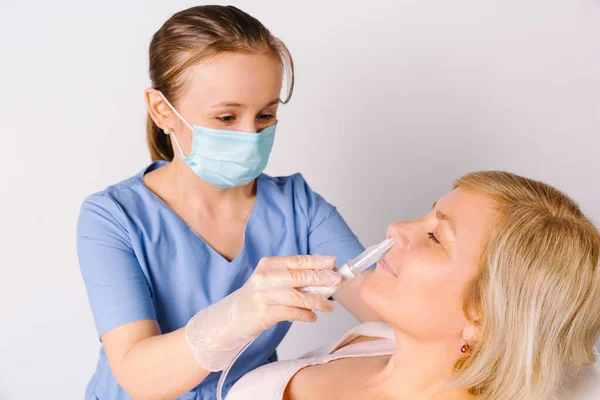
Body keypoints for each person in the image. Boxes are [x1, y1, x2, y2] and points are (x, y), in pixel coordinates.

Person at [76, 6, 378, 400]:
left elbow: (385, 307)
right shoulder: (113, 218)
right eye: (225, 117)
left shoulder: (299, 210)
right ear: (162, 110)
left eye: (265, 115)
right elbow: (139, 376)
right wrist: (240, 314)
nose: (250, 134)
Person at [227, 171, 600, 400]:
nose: (396, 229)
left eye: (436, 237)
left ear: (484, 316)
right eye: (427, 214)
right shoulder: (368, 340)